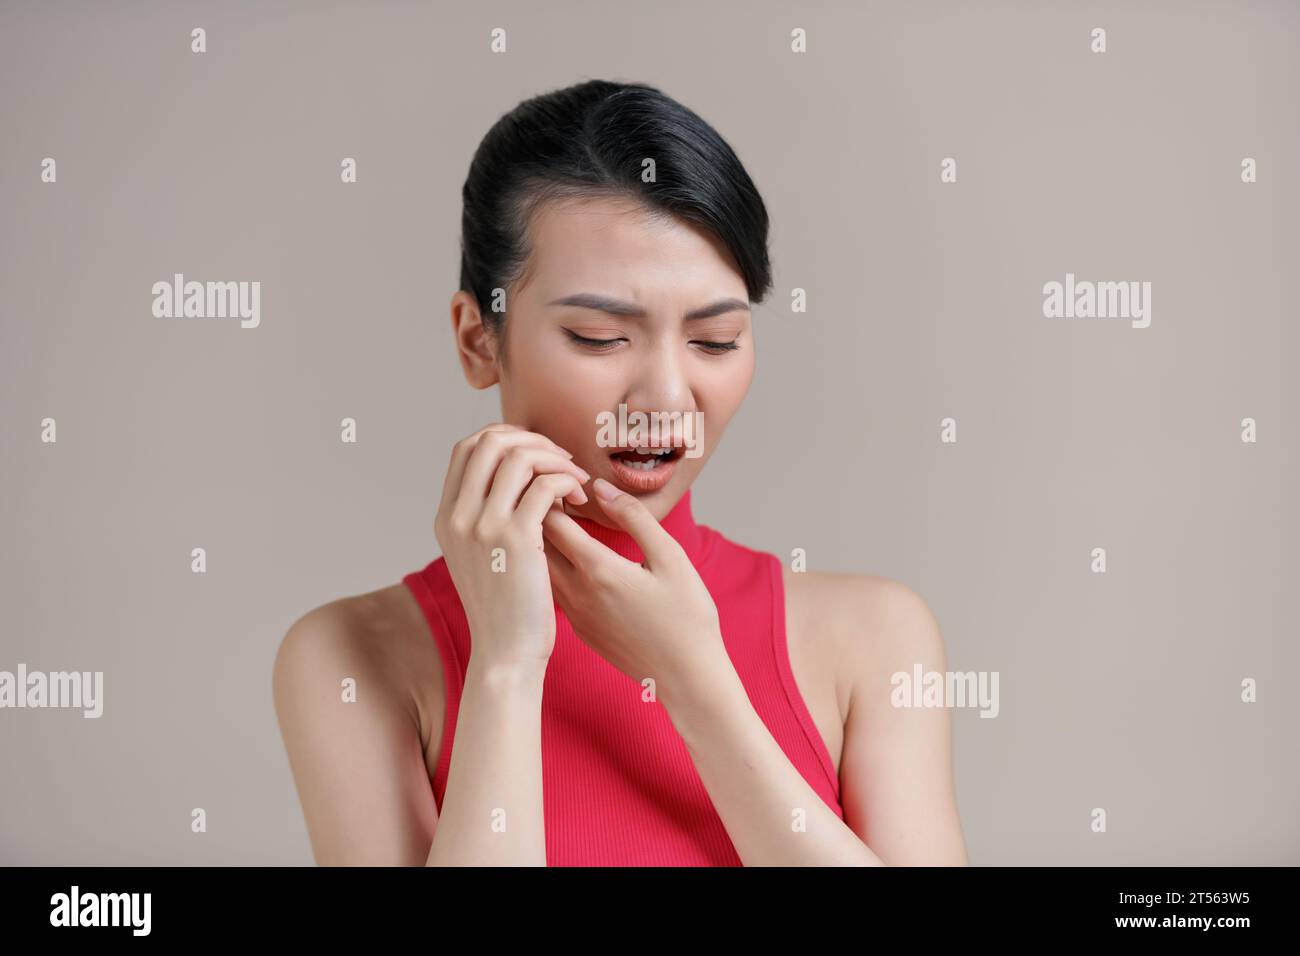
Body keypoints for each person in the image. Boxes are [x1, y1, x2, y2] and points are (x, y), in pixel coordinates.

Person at [273, 79, 968, 866]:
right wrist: (505, 663)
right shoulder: (350, 657)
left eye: (715, 341)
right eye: (601, 337)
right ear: (477, 341)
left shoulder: (871, 635)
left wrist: (691, 676)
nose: (668, 396)